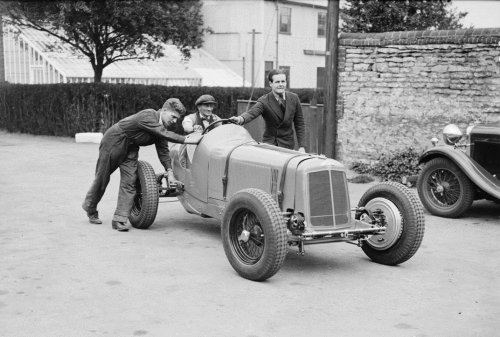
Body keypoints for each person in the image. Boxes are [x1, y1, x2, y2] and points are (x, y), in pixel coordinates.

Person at [82, 98, 202, 232]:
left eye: (177, 119)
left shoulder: (162, 128)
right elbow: (164, 134)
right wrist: (188, 140)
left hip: (131, 147)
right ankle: (90, 208)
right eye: (173, 117)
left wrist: (170, 173)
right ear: (163, 110)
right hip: (114, 140)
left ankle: (119, 219)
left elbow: (163, 152)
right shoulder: (148, 115)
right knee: (102, 178)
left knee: (130, 181)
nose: (174, 121)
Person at [229, 69, 306, 152]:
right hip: (271, 145)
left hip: (288, 145)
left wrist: (302, 146)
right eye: (277, 82)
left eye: (283, 81)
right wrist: (240, 119)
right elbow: (252, 113)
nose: (281, 84)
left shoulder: (294, 98)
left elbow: (300, 124)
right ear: (270, 83)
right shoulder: (264, 101)